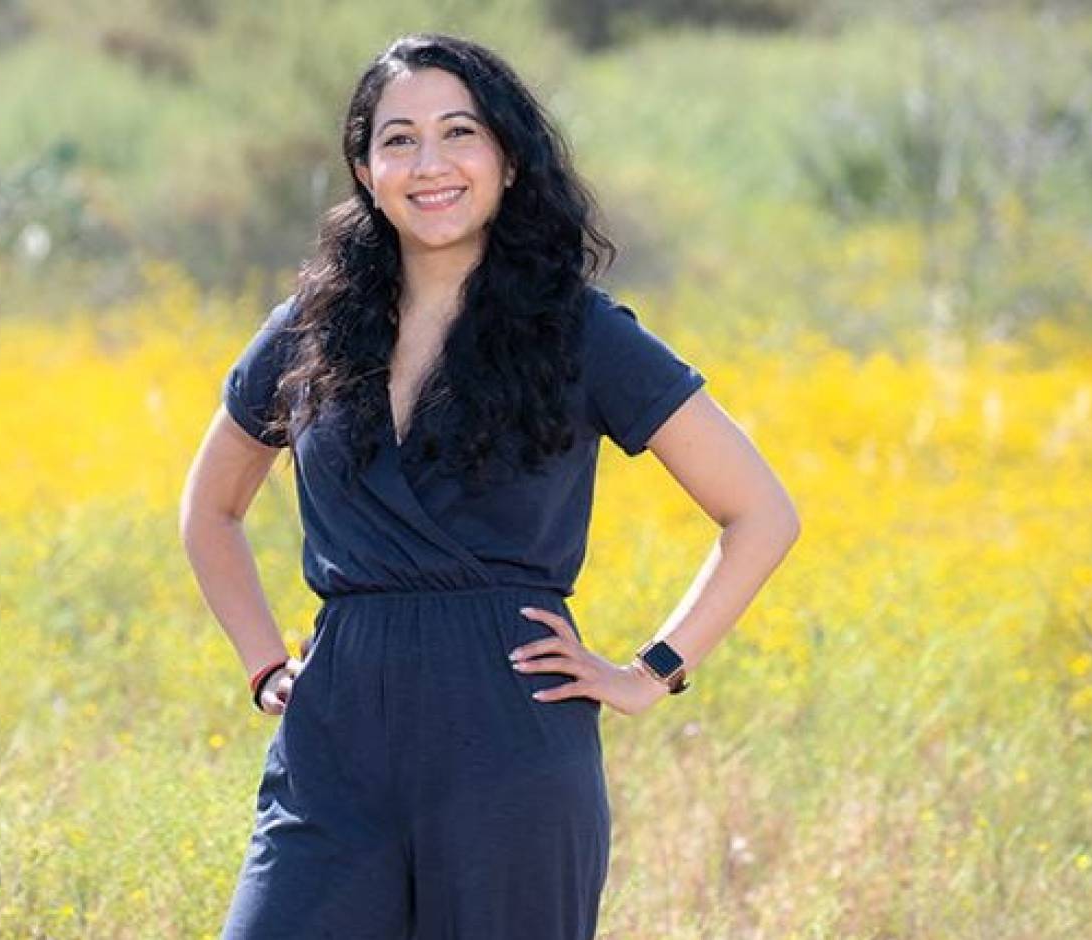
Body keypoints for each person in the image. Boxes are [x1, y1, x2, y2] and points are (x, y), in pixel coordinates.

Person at [178, 32, 800, 940]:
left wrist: (647, 672)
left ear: (507, 159)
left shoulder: (581, 332)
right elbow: (211, 509)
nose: (430, 164)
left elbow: (760, 513)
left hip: (509, 741)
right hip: (336, 739)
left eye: (459, 132)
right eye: (398, 140)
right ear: (364, 168)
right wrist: (265, 663)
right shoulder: (308, 329)